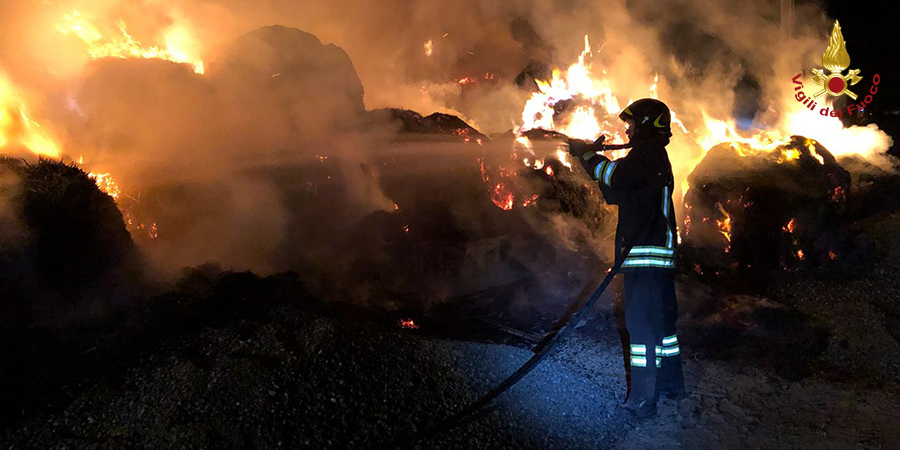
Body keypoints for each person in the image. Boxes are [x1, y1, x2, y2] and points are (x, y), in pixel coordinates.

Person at [568, 98, 684, 419]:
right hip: (657, 255)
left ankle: (643, 400)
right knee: (663, 325)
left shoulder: (646, 153)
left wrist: (588, 156)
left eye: (631, 122)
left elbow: (616, 178)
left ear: (646, 123)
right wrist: (591, 162)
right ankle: (672, 385)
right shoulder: (653, 157)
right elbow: (618, 192)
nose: (627, 128)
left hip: (644, 254)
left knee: (642, 326)